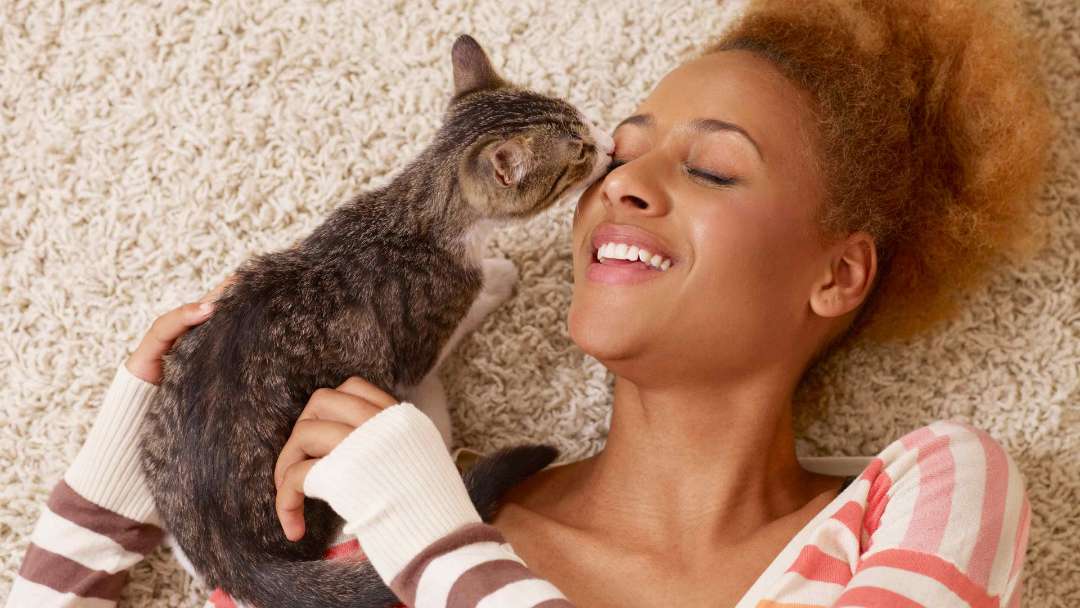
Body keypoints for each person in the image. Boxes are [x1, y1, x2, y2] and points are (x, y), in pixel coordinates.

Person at [8, 0, 1051, 606]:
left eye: (717, 171)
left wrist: (428, 526)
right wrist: (132, 464)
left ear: (839, 272)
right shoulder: (356, 513)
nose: (621, 185)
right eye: (623, 153)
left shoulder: (931, 491)